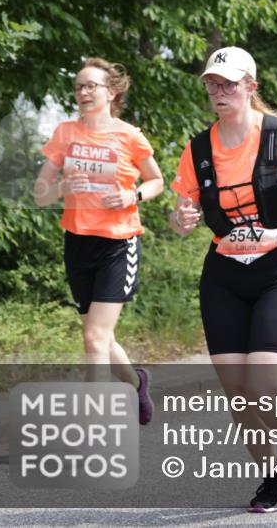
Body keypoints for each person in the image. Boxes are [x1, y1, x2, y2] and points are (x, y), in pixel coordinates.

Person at [169, 46, 277, 512]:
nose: (219, 91)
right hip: (224, 276)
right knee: (238, 394)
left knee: (264, 385)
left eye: (229, 83)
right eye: (212, 84)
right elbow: (182, 212)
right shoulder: (198, 150)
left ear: (250, 87)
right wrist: (180, 219)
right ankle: (271, 476)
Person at [33, 57, 163, 424]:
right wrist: (61, 187)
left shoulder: (129, 135)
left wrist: (132, 195)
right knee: (99, 337)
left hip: (118, 244)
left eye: (92, 85)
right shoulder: (65, 133)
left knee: (94, 337)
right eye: (79, 86)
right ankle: (136, 381)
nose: (84, 92)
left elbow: (156, 181)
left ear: (112, 92)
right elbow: (39, 194)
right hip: (78, 243)